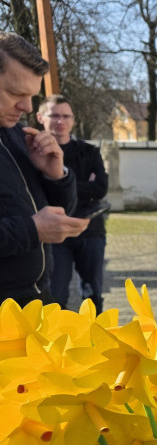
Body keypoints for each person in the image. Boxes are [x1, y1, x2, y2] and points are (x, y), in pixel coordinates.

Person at [0, 32, 88, 306]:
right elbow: (37, 225)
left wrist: (55, 175)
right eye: (15, 93)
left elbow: (61, 210)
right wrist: (33, 230)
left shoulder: (17, 134)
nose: (27, 107)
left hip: (37, 297)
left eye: (31, 95)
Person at [38, 95, 109, 311]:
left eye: (66, 116)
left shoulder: (89, 151)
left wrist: (56, 180)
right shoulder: (34, 153)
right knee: (56, 295)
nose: (61, 121)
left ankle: (95, 332)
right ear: (40, 117)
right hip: (55, 234)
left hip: (90, 229)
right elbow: (38, 189)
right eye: (54, 116)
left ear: (73, 120)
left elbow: (100, 188)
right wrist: (83, 184)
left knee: (93, 294)